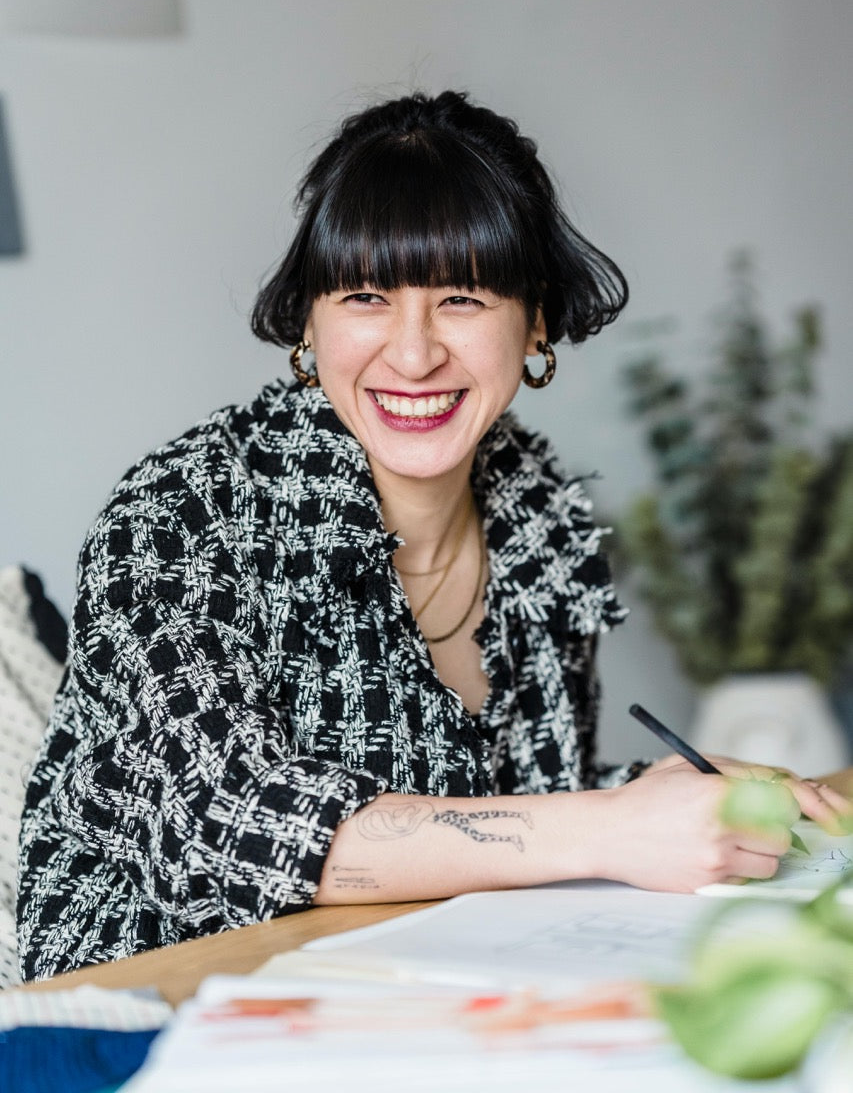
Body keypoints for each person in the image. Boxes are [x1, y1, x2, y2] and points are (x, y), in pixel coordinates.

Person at [18, 90, 851, 980]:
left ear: (534, 321)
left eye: (461, 297)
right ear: (309, 319)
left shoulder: (536, 508)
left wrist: (657, 796)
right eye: (366, 295)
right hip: (147, 1006)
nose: (412, 356)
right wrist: (609, 827)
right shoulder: (178, 512)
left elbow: (502, 801)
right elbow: (227, 821)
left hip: (416, 984)